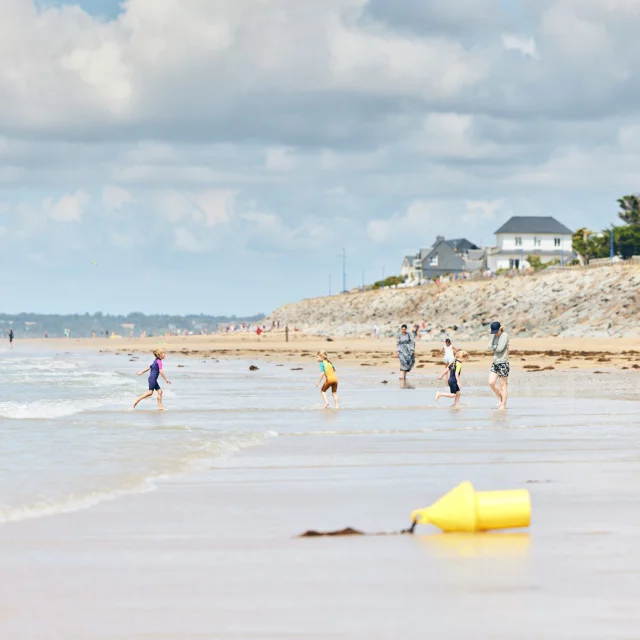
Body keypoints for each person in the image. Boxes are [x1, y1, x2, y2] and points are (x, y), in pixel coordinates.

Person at [488, 321, 510, 410]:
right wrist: (494, 346)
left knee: (503, 385)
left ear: (500, 329)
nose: (495, 333)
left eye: (496, 331)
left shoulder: (504, 336)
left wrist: (494, 347)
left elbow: (500, 349)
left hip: (503, 363)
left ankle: (503, 405)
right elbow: (489, 346)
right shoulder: (493, 335)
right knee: (491, 382)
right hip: (495, 363)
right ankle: (499, 397)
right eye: (494, 332)